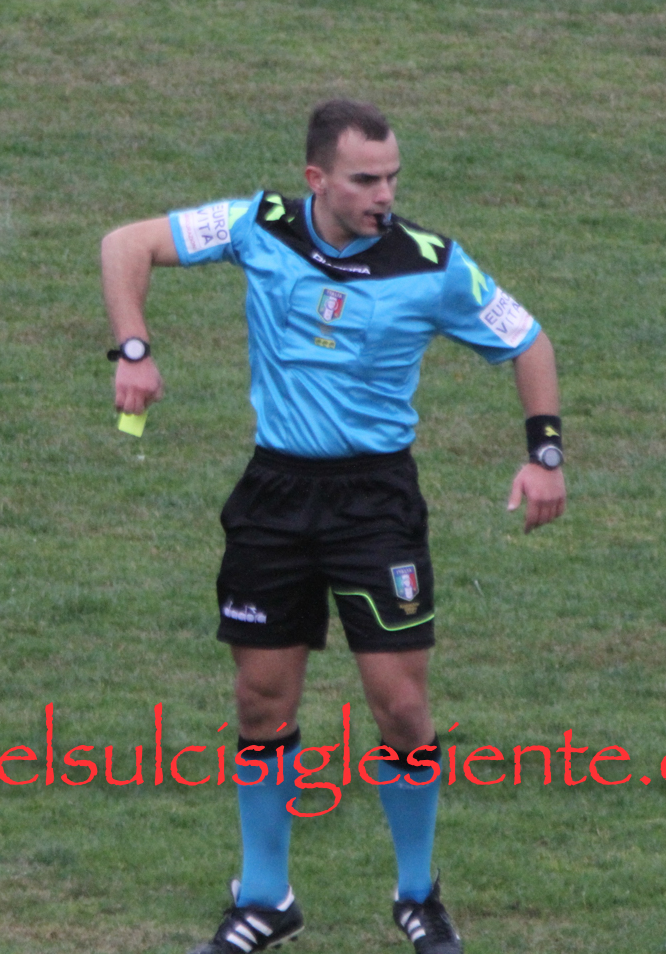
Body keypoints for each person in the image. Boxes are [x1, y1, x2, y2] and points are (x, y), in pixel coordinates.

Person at [99, 99, 566, 954]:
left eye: (392, 178)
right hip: (275, 497)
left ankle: (418, 895)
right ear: (317, 178)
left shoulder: (433, 266)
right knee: (260, 701)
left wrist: (545, 455)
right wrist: (134, 348)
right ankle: (266, 899)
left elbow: (528, 341)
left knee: (402, 707)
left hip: (374, 504)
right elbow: (126, 244)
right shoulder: (260, 225)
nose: (384, 194)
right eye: (365, 179)